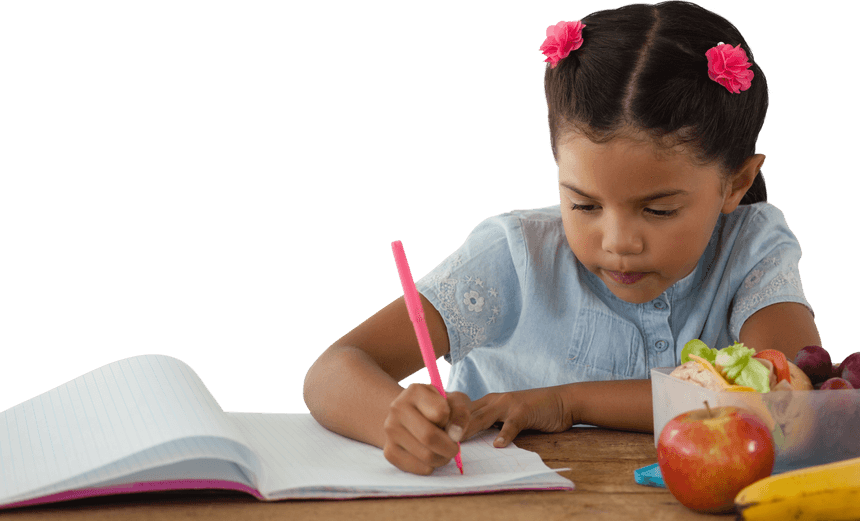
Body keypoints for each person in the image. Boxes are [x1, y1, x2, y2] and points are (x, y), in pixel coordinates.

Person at [302, 0, 822, 475]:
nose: (618, 242)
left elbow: (788, 401)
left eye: (659, 209)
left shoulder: (749, 247)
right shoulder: (516, 255)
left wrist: (568, 402)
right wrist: (392, 419)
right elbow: (332, 372)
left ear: (736, 183)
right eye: (584, 204)